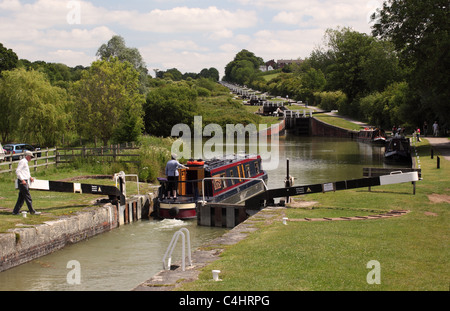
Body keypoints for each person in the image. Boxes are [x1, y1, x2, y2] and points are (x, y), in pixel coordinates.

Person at [13, 151, 40, 215]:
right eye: (31, 157)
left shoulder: (25, 162)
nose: (31, 158)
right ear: (27, 156)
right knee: (28, 197)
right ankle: (32, 211)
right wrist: (22, 180)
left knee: (21, 198)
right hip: (23, 182)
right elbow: (18, 171)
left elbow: (25, 172)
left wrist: (30, 177)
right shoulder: (22, 162)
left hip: (25, 181)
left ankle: (15, 211)